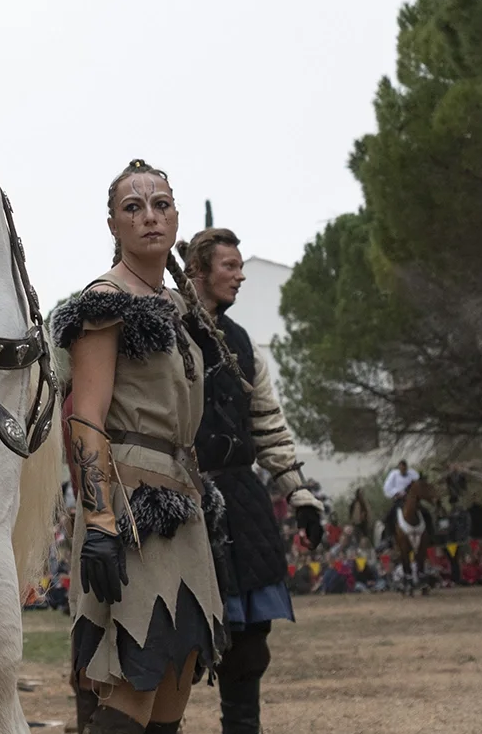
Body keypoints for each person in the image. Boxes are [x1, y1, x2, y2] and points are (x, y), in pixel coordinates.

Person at [54, 160, 224, 734]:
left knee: (172, 690)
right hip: (130, 507)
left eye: (160, 205)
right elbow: (88, 418)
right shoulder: (105, 299)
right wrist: (100, 520)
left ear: (175, 217)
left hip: (184, 504)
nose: (149, 216)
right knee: (133, 688)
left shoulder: (178, 307)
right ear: (113, 224)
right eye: (133, 207)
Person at [184, 226, 324, 734]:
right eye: (230, 267)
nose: (240, 275)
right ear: (199, 270)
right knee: (169, 644)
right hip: (181, 498)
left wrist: (300, 496)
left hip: (242, 500)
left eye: (242, 266)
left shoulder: (242, 341)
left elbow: (267, 423)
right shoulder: (168, 331)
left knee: (249, 647)